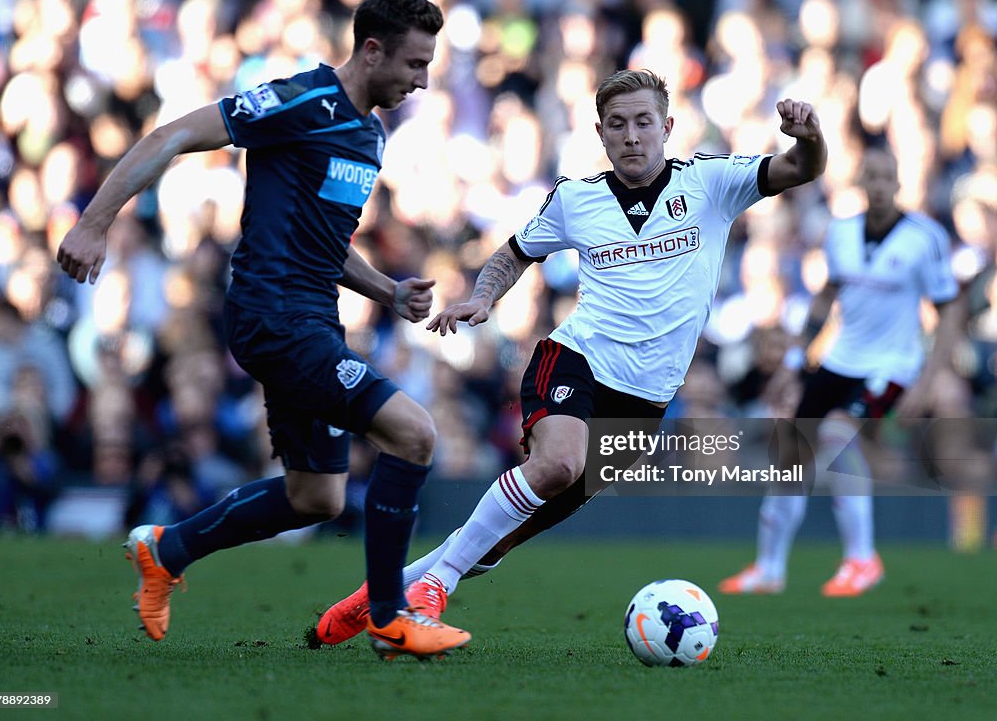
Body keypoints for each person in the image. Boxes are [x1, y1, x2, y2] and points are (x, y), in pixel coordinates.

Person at [312, 68, 827, 646]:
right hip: (574, 359)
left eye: (643, 122)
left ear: (667, 127)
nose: (632, 135)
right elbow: (513, 253)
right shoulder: (577, 198)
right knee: (557, 464)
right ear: (601, 135)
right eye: (617, 125)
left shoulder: (713, 182)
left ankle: (379, 595)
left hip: (645, 402)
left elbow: (801, 168)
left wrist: (807, 136)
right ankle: (437, 586)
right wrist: (483, 296)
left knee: (499, 540)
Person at [56, 0, 471, 660]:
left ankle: (169, 549)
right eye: (414, 65)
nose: (421, 82)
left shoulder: (368, 134)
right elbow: (175, 134)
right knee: (414, 434)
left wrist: (387, 291)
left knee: (317, 498)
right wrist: (94, 222)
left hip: (315, 319)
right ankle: (391, 616)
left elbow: (326, 243)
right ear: (371, 50)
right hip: (274, 316)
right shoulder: (305, 101)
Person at [719, 146, 962, 597]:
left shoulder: (923, 238)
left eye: (886, 175)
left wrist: (927, 381)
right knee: (792, 455)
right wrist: (795, 362)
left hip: (891, 363)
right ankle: (769, 569)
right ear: (861, 182)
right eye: (870, 175)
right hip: (840, 358)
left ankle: (862, 559)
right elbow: (825, 299)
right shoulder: (842, 233)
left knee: (835, 433)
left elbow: (948, 309)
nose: (878, 184)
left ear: (899, 182)